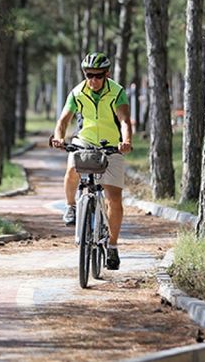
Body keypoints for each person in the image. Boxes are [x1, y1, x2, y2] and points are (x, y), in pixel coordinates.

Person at [50, 52, 132, 270]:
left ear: (107, 74)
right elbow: (63, 120)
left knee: (114, 199)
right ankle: (70, 207)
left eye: (98, 75)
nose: (93, 80)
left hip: (111, 145)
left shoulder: (117, 92)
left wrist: (126, 141)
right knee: (71, 172)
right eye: (89, 74)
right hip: (84, 142)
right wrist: (58, 137)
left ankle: (112, 246)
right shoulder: (77, 92)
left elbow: (124, 120)